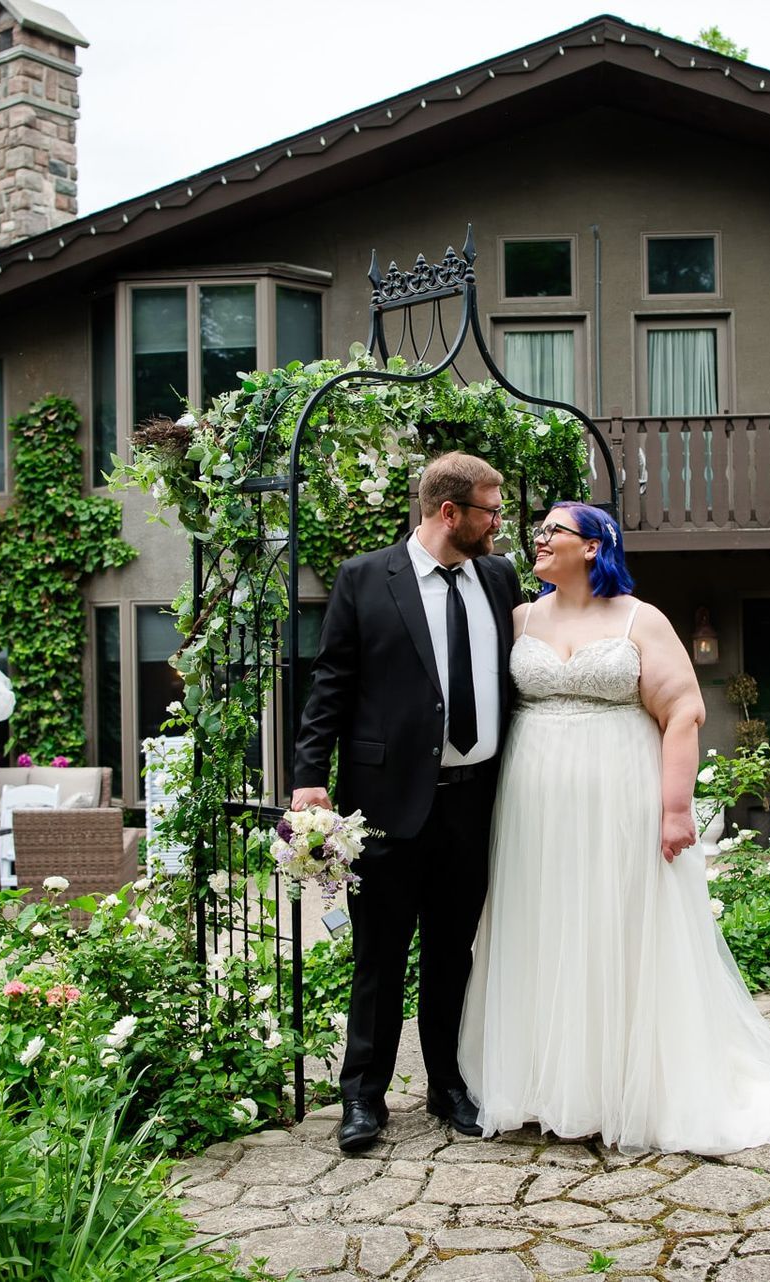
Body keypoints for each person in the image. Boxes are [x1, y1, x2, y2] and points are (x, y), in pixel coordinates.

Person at [458, 501, 770, 1154]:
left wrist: (674, 808)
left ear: (594, 547)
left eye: (555, 532)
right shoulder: (519, 617)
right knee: (544, 927)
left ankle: (623, 1088)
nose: (539, 540)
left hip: (619, 797)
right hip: (533, 808)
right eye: (539, 531)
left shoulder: (641, 619)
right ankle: (544, 1086)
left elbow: (684, 711)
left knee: (615, 925)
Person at [291, 451, 519, 1153]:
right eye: (490, 508)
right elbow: (332, 682)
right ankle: (364, 1099)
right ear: (450, 512)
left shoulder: (500, 577)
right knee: (379, 956)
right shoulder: (365, 577)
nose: (499, 521)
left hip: (474, 803)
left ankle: (447, 1086)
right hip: (385, 805)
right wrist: (307, 775)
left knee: (453, 952)